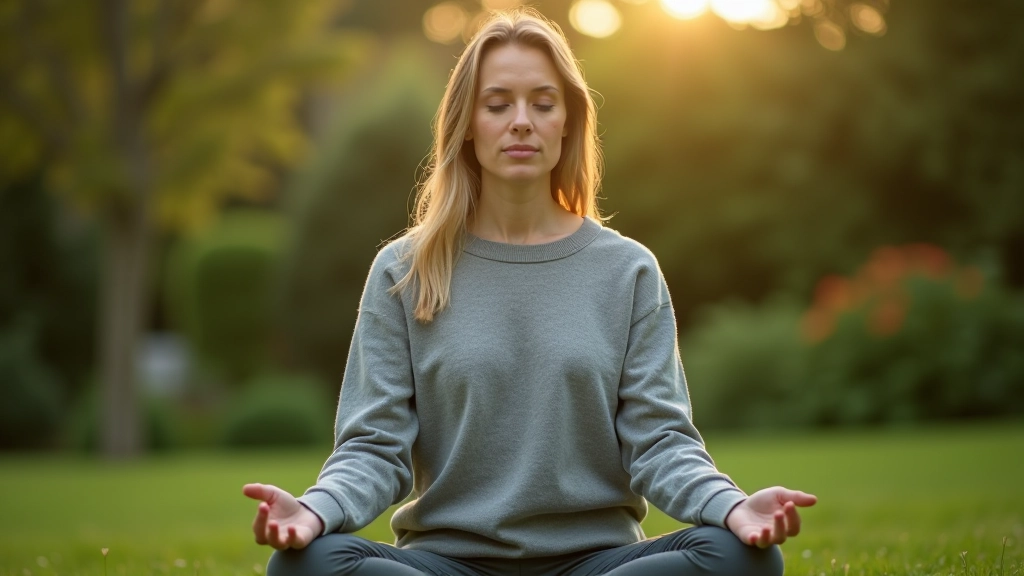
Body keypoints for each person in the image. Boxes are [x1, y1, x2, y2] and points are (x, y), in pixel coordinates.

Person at [243, 8, 817, 576]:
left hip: (598, 563)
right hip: (449, 564)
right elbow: (373, 447)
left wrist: (734, 507)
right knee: (306, 565)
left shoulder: (627, 270)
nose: (522, 121)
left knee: (742, 557)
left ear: (568, 120)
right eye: (498, 105)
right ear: (467, 122)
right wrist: (315, 512)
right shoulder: (403, 270)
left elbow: (660, 441)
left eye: (543, 104)